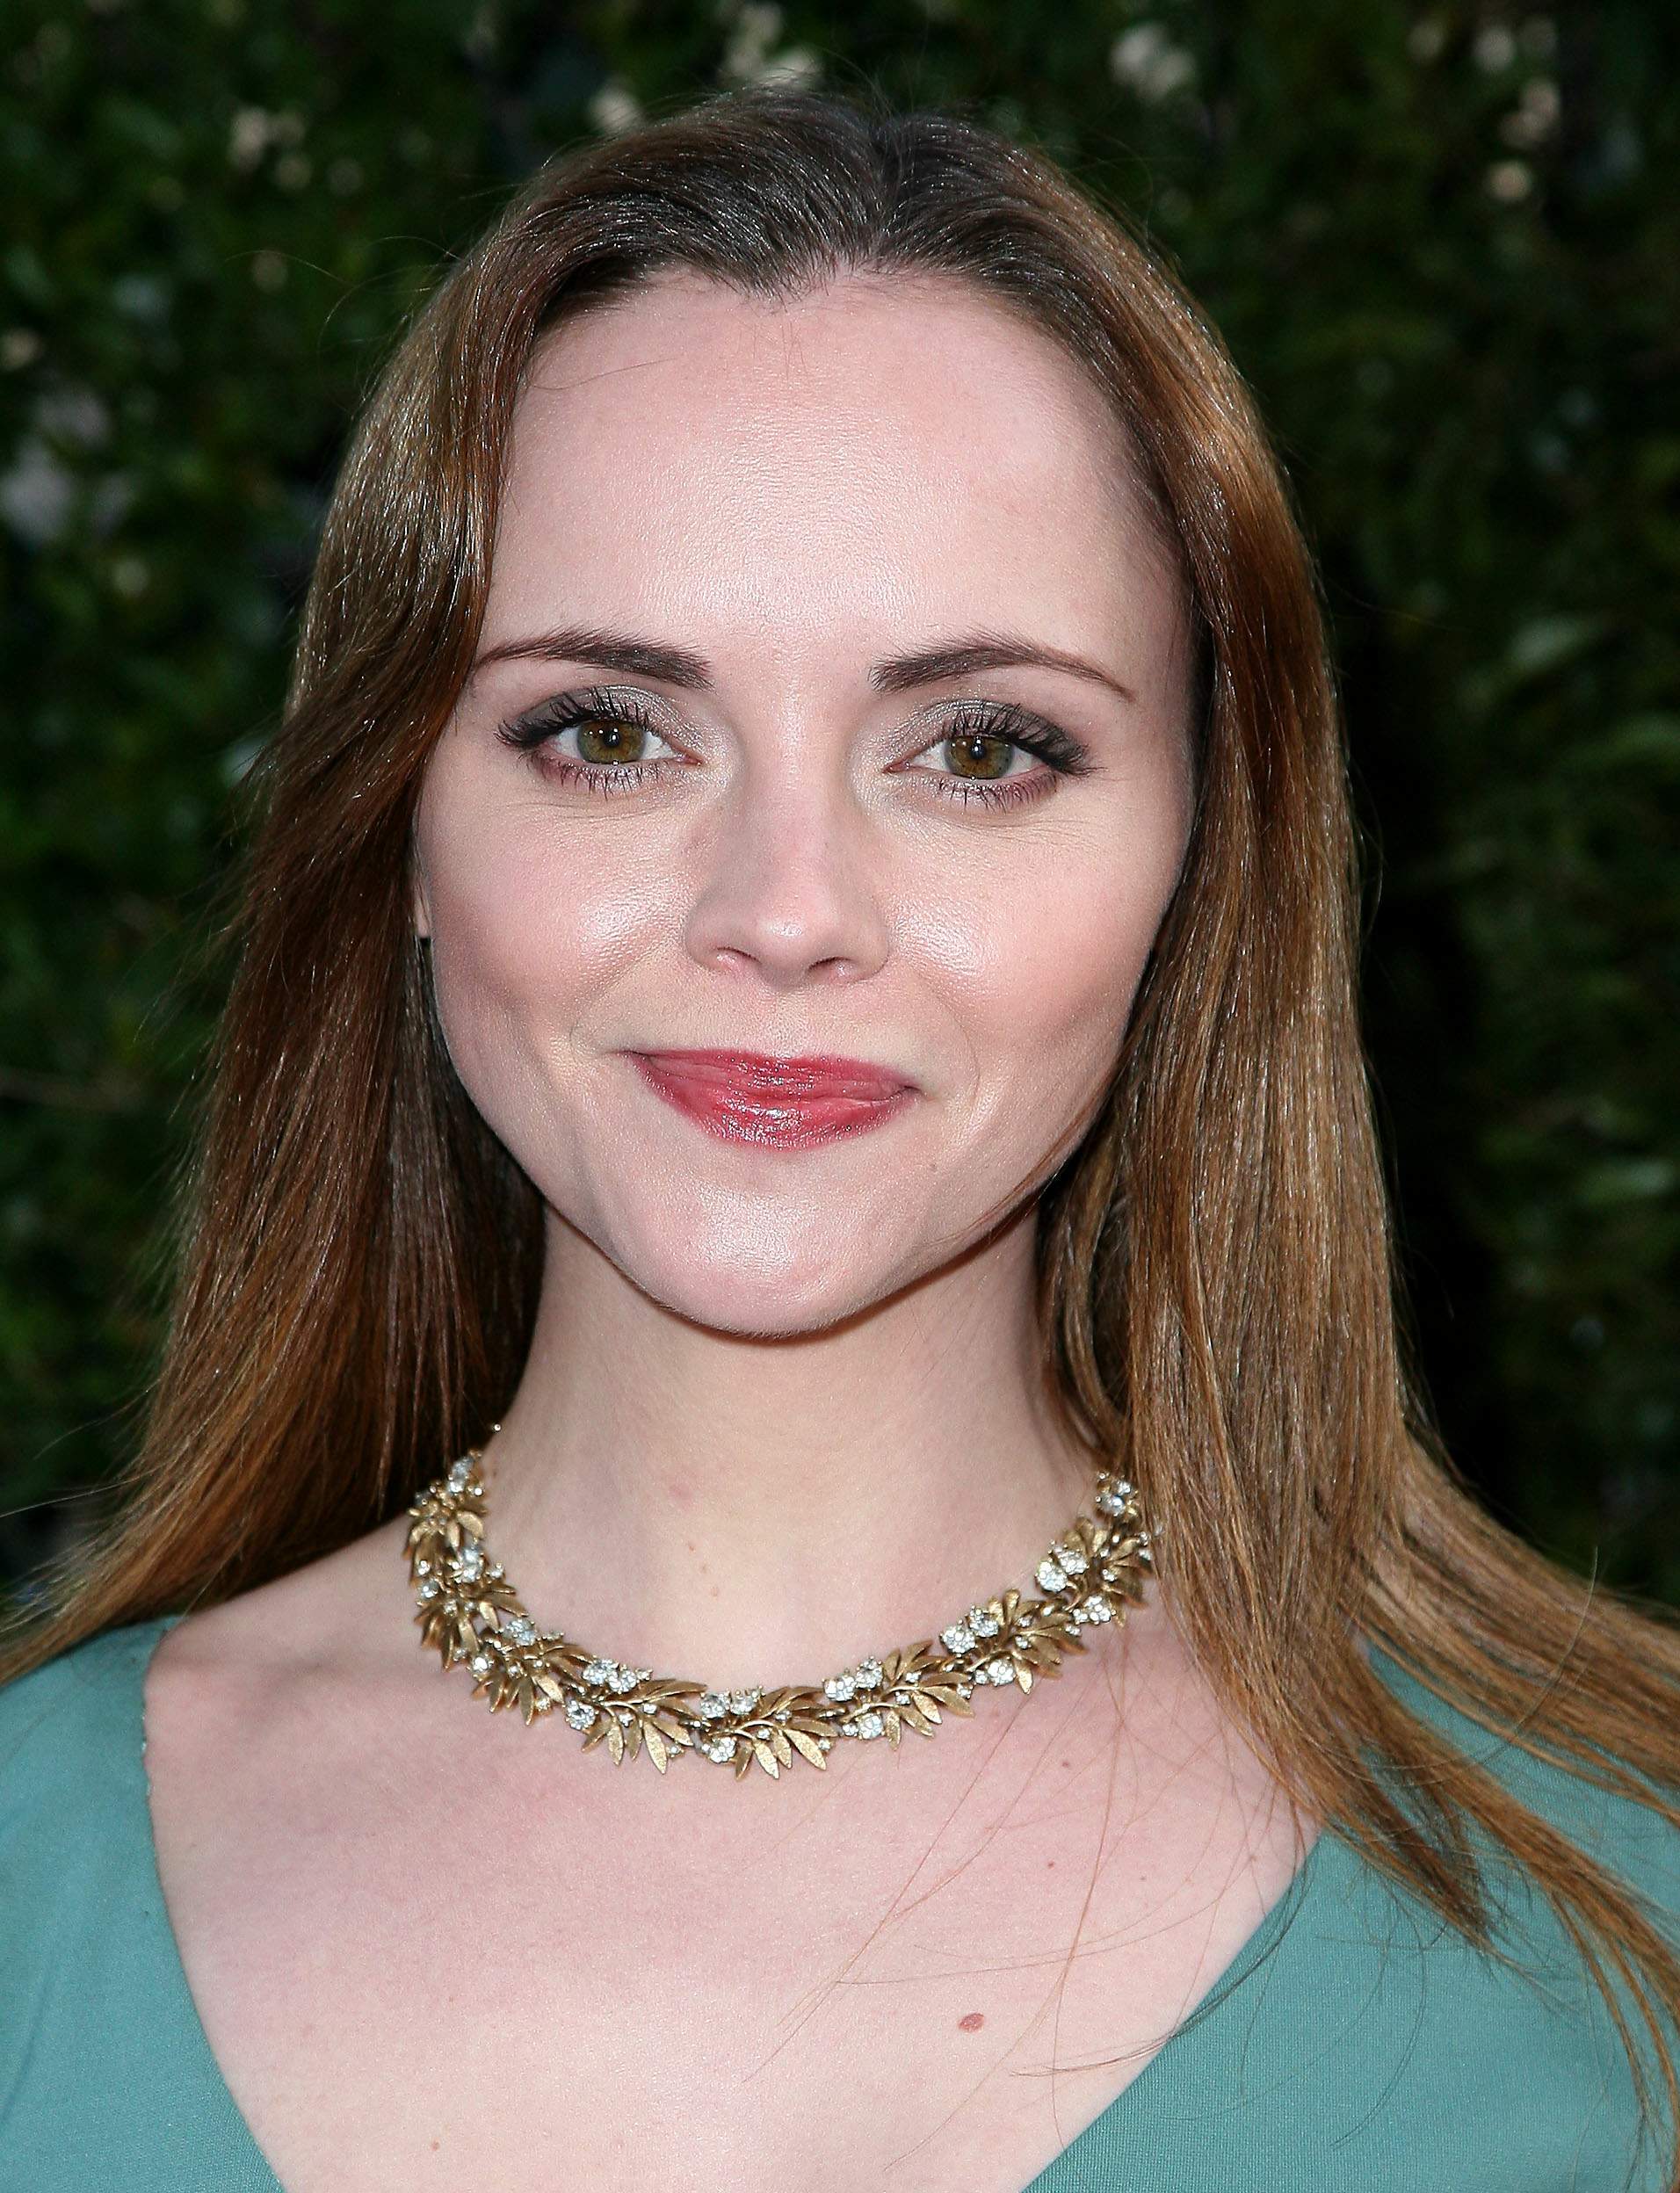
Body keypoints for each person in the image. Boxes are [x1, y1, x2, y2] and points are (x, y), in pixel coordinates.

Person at [2, 83, 1676, 2193]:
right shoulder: (32, 1874)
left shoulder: (1628, 1906)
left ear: (1203, 856)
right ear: (401, 824)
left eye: (978, 750)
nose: (783, 911)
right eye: (606, 732)